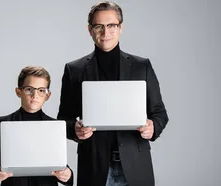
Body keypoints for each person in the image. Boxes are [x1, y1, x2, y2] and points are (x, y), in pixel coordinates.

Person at [56, 1, 169, 186]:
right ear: (89, 30)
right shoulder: (74, 70)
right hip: (94, 166)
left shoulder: (142, 66)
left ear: (120, 27)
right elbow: (64, 118)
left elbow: (159, 113)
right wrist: (75, 130)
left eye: (111, 25)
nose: (105, 32)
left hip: (135, 166)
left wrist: (153, 127)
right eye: (98, 26)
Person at [0, 66, 74, 186]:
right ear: (18, 92)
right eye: (29, 89)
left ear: (47, 95)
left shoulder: (55, 126)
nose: (35, 95)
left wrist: (68, 175)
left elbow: (60, 164)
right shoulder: (2, 123)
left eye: (41, 90)